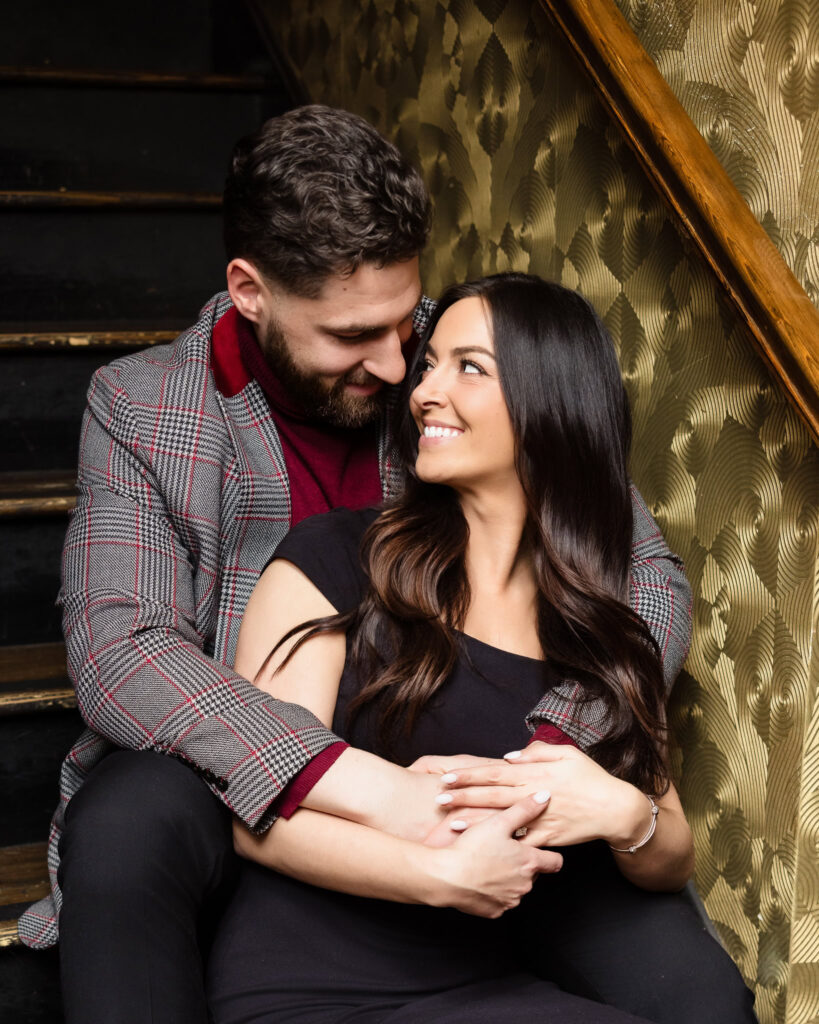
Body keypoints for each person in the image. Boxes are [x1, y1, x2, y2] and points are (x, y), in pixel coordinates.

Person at [17, 107, 691, 1023]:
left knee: (696, 995)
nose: (395, 365)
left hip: (475, 764)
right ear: (250, 291)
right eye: (348, 337)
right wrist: (363, 788)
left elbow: (642, 574)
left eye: (402, 322)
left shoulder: (446, 368)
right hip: (247, 776)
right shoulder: (144, 408)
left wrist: (548, 755)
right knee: (126, 817)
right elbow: (120, 650)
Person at [206, 274, 755, 1024]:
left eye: (468, 367)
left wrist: (625, 816)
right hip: (316, 980)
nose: (425, 390)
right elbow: (259, 816)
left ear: (549, 401)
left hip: (493, 980)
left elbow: (668, 855)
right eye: (429, 365)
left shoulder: (601, 621)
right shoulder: (329, 559)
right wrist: (436, 872)